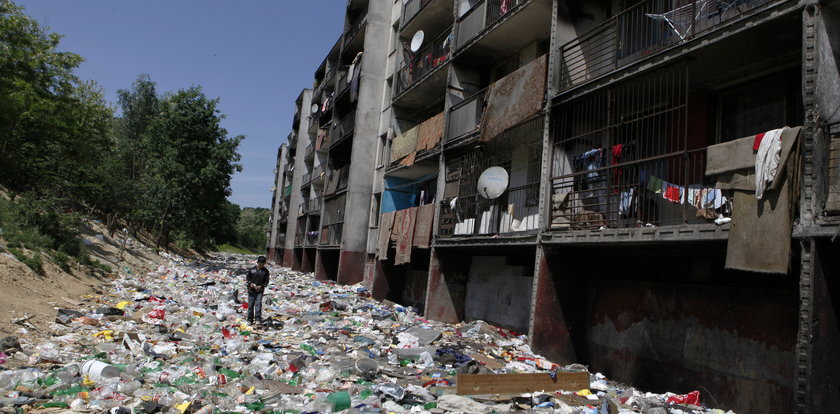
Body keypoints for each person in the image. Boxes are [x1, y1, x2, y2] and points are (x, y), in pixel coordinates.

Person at [245, 256, 270, 324]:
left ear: (264, 264)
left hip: (260, 291)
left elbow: (266, 282)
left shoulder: (265, 271)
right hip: (251, 290)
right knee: (250, 305)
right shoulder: (252, 270)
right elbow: (247, 279)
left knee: (258, 304)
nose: (261, 265)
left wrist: (261, 286)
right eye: (260, 264)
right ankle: (250, 319)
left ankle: (257, 319)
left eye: (262, 264)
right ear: (257, 262)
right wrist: (251, 284)